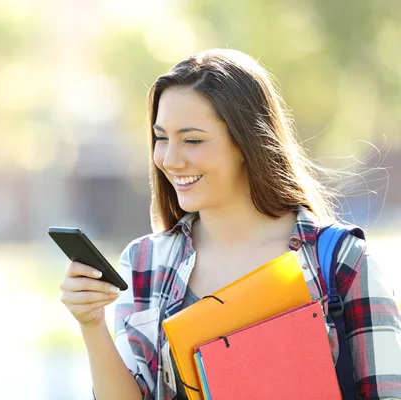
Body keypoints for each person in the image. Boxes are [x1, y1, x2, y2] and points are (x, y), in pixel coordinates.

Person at [59, 48, 401, 399]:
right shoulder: (146, 263)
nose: (170, 159)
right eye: (162, 138)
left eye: (192, 140)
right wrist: (92, 323)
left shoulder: (342, 261)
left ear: (245, 142)